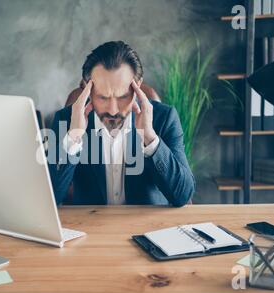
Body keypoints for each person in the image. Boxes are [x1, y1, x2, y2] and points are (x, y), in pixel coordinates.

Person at [47, 41, 195, 207]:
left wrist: (150, 138)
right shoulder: (66, 120)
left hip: (148, 227)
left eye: (122, 96)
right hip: (91, 227)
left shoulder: (164, 118)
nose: (112, 110)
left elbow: (183, 195)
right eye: (102, 97)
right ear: (86, 89)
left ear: (137, 87)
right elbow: (51, 198)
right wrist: (73, 137)